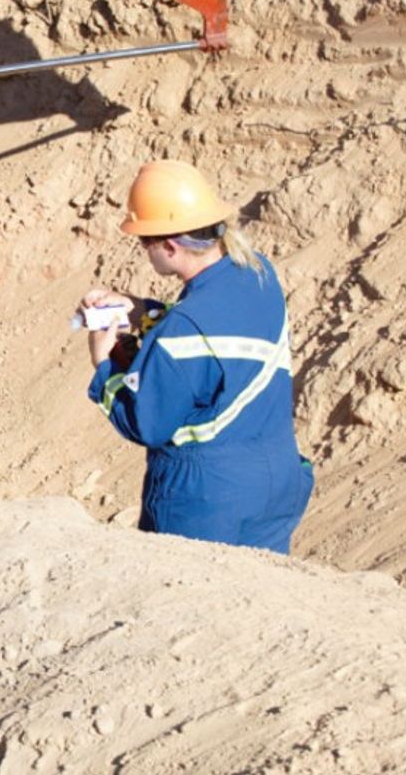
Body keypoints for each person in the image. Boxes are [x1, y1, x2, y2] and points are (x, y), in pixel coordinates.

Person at [81, 159, 312, 554]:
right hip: (276, 478)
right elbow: (216, 334)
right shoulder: (257, 274)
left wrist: (103, 365)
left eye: (144, 242)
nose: (144, 251)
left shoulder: (182, 331)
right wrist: (144, 311)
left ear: (170, 246)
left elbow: (145, 423)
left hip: (206, 497)